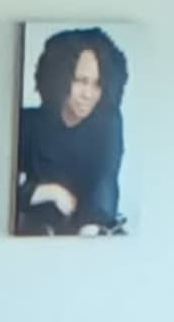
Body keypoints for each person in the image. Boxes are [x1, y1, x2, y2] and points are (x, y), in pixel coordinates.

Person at [13, 27, 127, 236]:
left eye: (97, 85)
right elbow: (2, 189)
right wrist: (48, 192)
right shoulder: (28, 123)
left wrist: (91, 227)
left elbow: (106, 180)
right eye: (80, 81)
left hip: (89, 233)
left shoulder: (108, 125)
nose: (88, 94)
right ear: (59, 78)